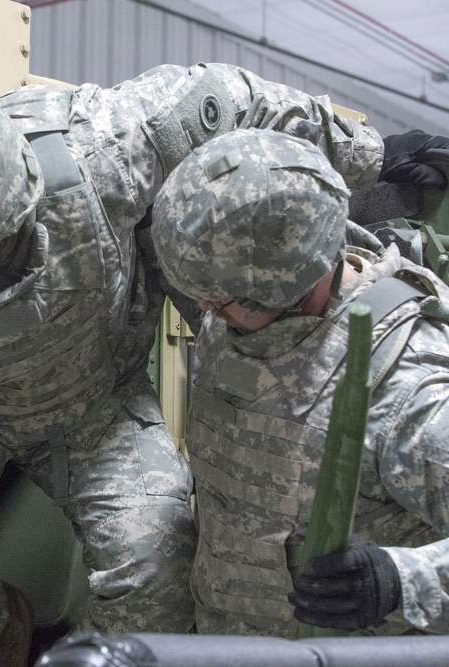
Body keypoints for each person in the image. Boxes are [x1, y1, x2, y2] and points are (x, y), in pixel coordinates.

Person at [0, 64, 387, 667]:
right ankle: (7, 634)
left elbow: (223, 97)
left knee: (156, 575)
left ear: (10, 214)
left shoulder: (95, 157)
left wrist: (366, 157)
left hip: (98, 405)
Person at [149, 128, 449, 637]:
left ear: (287, 283)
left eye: (220, 298)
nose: (204, 309)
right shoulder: (242, 308)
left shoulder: (404, 385)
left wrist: (401, 582)